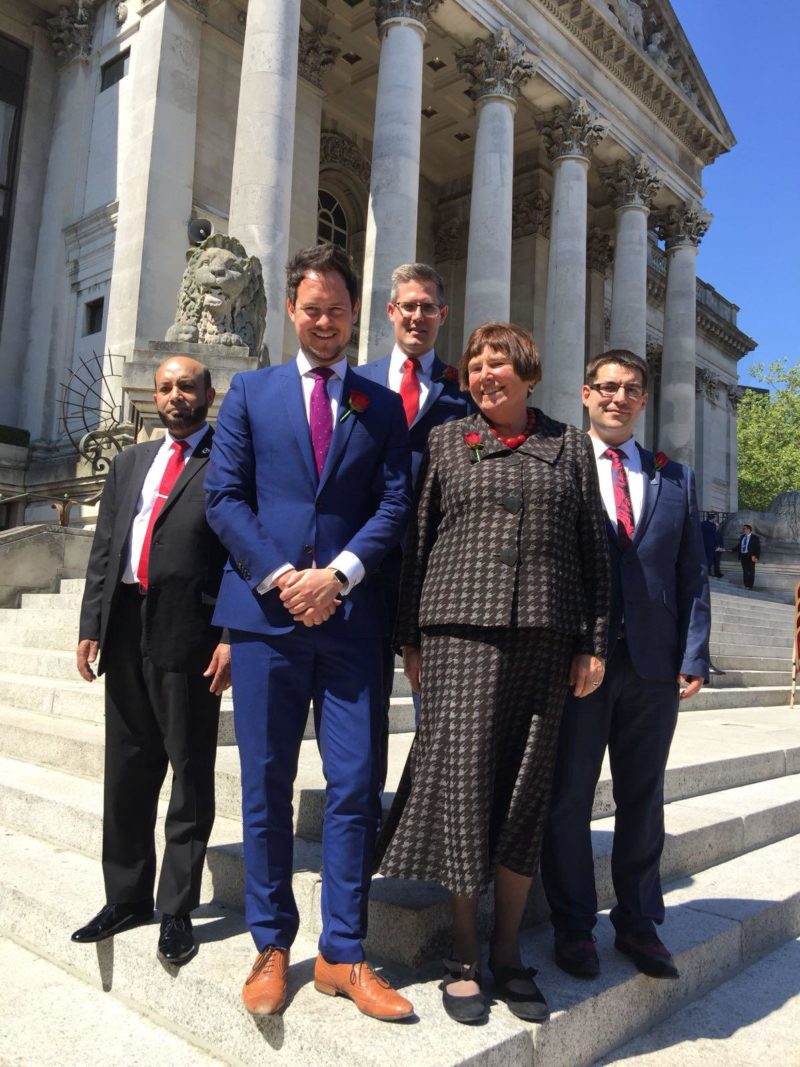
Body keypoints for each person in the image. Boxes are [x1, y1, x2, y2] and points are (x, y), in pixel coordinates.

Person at [376, 322, 610, 1025]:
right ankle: (464, 954)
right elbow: (417, 541)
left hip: (545, 635)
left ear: (528, 372)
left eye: (499, 363)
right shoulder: (446, 440)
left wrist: (593, 641)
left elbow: (593, 552)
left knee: (525, 794)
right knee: (466, 789)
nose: (484, 374)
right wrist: (408, 638)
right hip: (458, 637)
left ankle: (509, 953)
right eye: (476, 364)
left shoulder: (569, 445)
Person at [204, 243, 413, 1021]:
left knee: (356, 784)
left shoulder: (380, 405)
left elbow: (393, 505)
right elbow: (225, 499)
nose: (324, 321)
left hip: (352, 621)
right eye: (311, 308)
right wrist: (286, 577)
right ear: (293, 311)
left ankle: (343, 951)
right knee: (265, 782)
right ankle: (270, 941)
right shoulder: (251, 394)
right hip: (266, 619)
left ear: (356, 313)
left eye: (336, 308)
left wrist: (341, 574)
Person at [541, 349, 710, 983]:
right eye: (607, 387)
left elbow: (691, 572)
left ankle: (638, 923)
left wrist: (694, 654)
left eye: (631, 389)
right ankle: (574, 926)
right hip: (576, 665)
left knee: (644, 797)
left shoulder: (675, 478)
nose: (618, 397)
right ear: (585, 394)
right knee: (569, 799)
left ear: (643, 401)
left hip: (653, 667)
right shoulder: (559, 466)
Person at [71, 357, 231, 967]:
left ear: (208, 394)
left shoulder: (227, 460)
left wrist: (231, 634)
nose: (173, 395)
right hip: (125, 629)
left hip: (189, 633)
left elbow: (239, 555)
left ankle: (177, 909)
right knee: (128, 769)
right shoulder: (130, 462)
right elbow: (105, 547)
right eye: (165, 387)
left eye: (186, 385)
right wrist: (91, 626)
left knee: (189, 774)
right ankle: (127, 895)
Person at [355, 263, 472, 738]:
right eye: (409, 306)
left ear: (443, 314)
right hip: (364, 560)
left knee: (434, 701)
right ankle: (363, 801)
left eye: (428, 307)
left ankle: (425, 806)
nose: (417, 317)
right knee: (362, 699)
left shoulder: (463, 391)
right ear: (391, 311)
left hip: (433, 563)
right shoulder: (356, 382)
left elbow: (475, 463)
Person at [736, 523, 761, 589]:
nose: (743, 530)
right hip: (743, 556)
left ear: (749, 529)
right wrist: (732, 550)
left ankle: (750, 586)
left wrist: (756, 557)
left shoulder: (754, 537)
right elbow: (739, 546)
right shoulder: (742, 537)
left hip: (751, 557)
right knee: (745, 571)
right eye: (743, 529)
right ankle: (746, 585)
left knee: (751, 572)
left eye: (745, 529)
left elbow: (757, 548)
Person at [701, 513, 723, 578]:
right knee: (709, 559)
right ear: (713, 518)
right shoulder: (713, 525)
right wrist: (717, 546)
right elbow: (715, 535)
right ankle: (707, 573)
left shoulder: (702, 523)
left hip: (703, 544)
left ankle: (704, 572)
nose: (716, 519)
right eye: (715, 518)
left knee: (704, 559)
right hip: (711, 545)